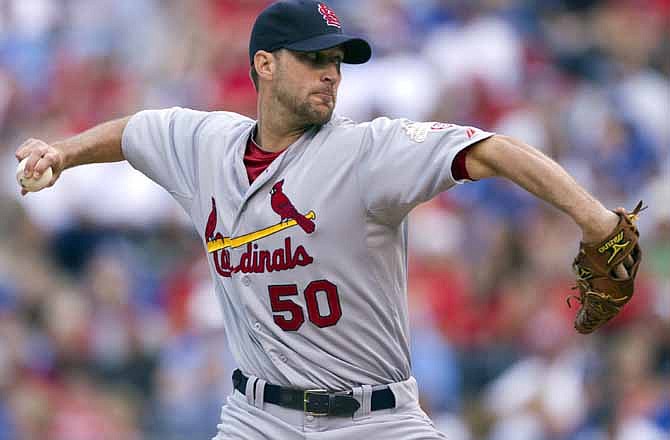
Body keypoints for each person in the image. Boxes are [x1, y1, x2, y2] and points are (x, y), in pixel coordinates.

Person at [14, 1, 637, 438]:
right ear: (264, 64)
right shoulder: (205, 143)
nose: (331, 74)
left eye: (337, 60)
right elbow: (136, 132)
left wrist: (597, 223)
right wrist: (65, 152)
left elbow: (493, 148)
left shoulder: (367, 152)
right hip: (257, 419)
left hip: (377, 419)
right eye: (313, 59)